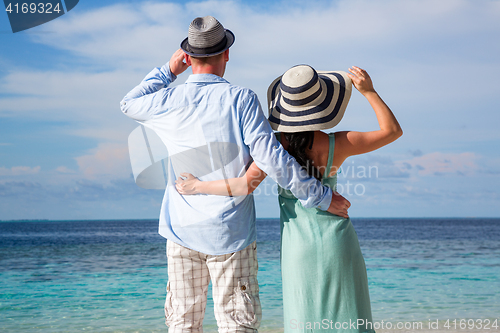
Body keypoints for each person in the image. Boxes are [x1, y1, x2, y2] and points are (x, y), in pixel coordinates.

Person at [120, 16, 351, 333]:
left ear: (187, 57)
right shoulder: (241, 99)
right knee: (237, 324)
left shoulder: (166, 100)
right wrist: (320, 196)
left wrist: (168, 71)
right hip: (230, 232)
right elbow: (271, 158)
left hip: (181, 231)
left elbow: (128, 103)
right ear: (226, 53)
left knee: (182, 323)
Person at [176, 64, 403, 332]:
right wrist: (369, 91)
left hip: (298, 247)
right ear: (321, 106)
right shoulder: (337, 143)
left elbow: (244, 185)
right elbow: (392, 131)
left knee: (304, 318)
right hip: (339, 241)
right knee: (349, 318)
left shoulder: (272, 147)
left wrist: (197, 185)